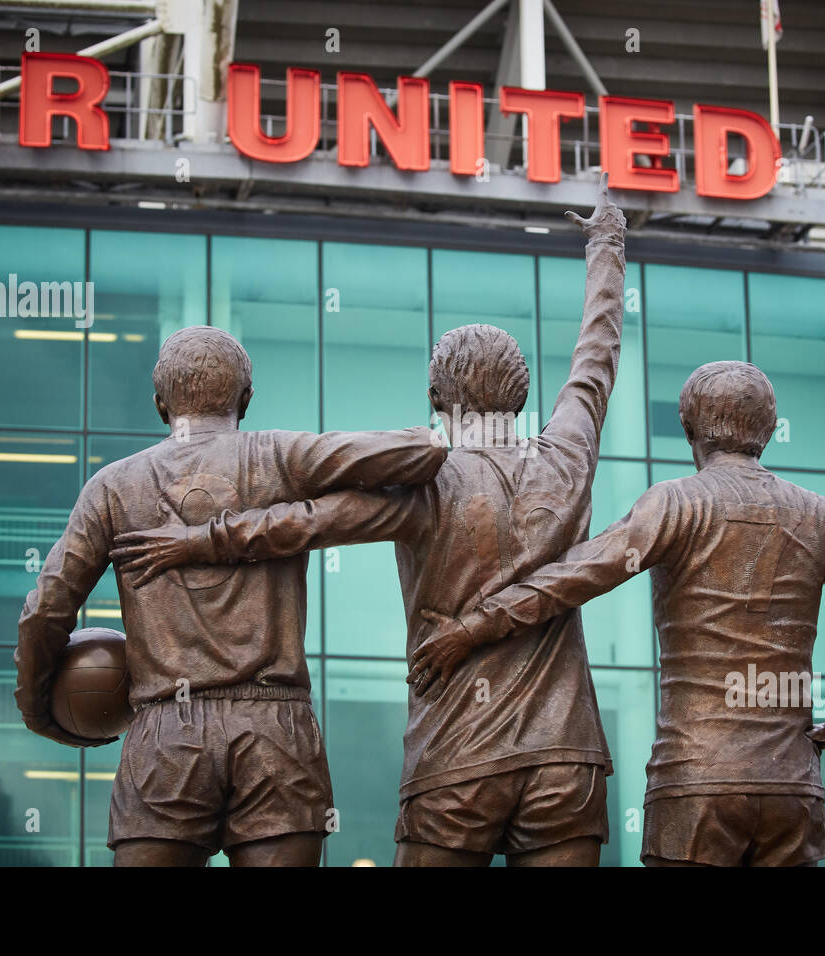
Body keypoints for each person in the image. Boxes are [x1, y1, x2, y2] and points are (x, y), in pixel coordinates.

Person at [110, 174, 628, 866]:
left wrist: (197, 539)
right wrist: (608, 242)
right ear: (523, 393)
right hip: (568, 759)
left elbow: (303, 525)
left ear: (436, 397)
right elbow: (596, 356)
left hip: (456, 759)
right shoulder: (568, 456)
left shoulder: (429, 479)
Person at [409, 360, 825, 866]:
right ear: (769, 429)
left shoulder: (677, 504)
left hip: (694, 785)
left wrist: (475, 625)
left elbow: (571, 578)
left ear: (687, 428)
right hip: (792, 789)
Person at [14, 326, 446, 867]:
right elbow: (422, 451)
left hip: (167, 734)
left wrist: (39, 711)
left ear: (160, 406)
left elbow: (46, 610)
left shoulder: (113, 487)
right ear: (245, 400)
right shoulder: (281, 457)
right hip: (276, 730)